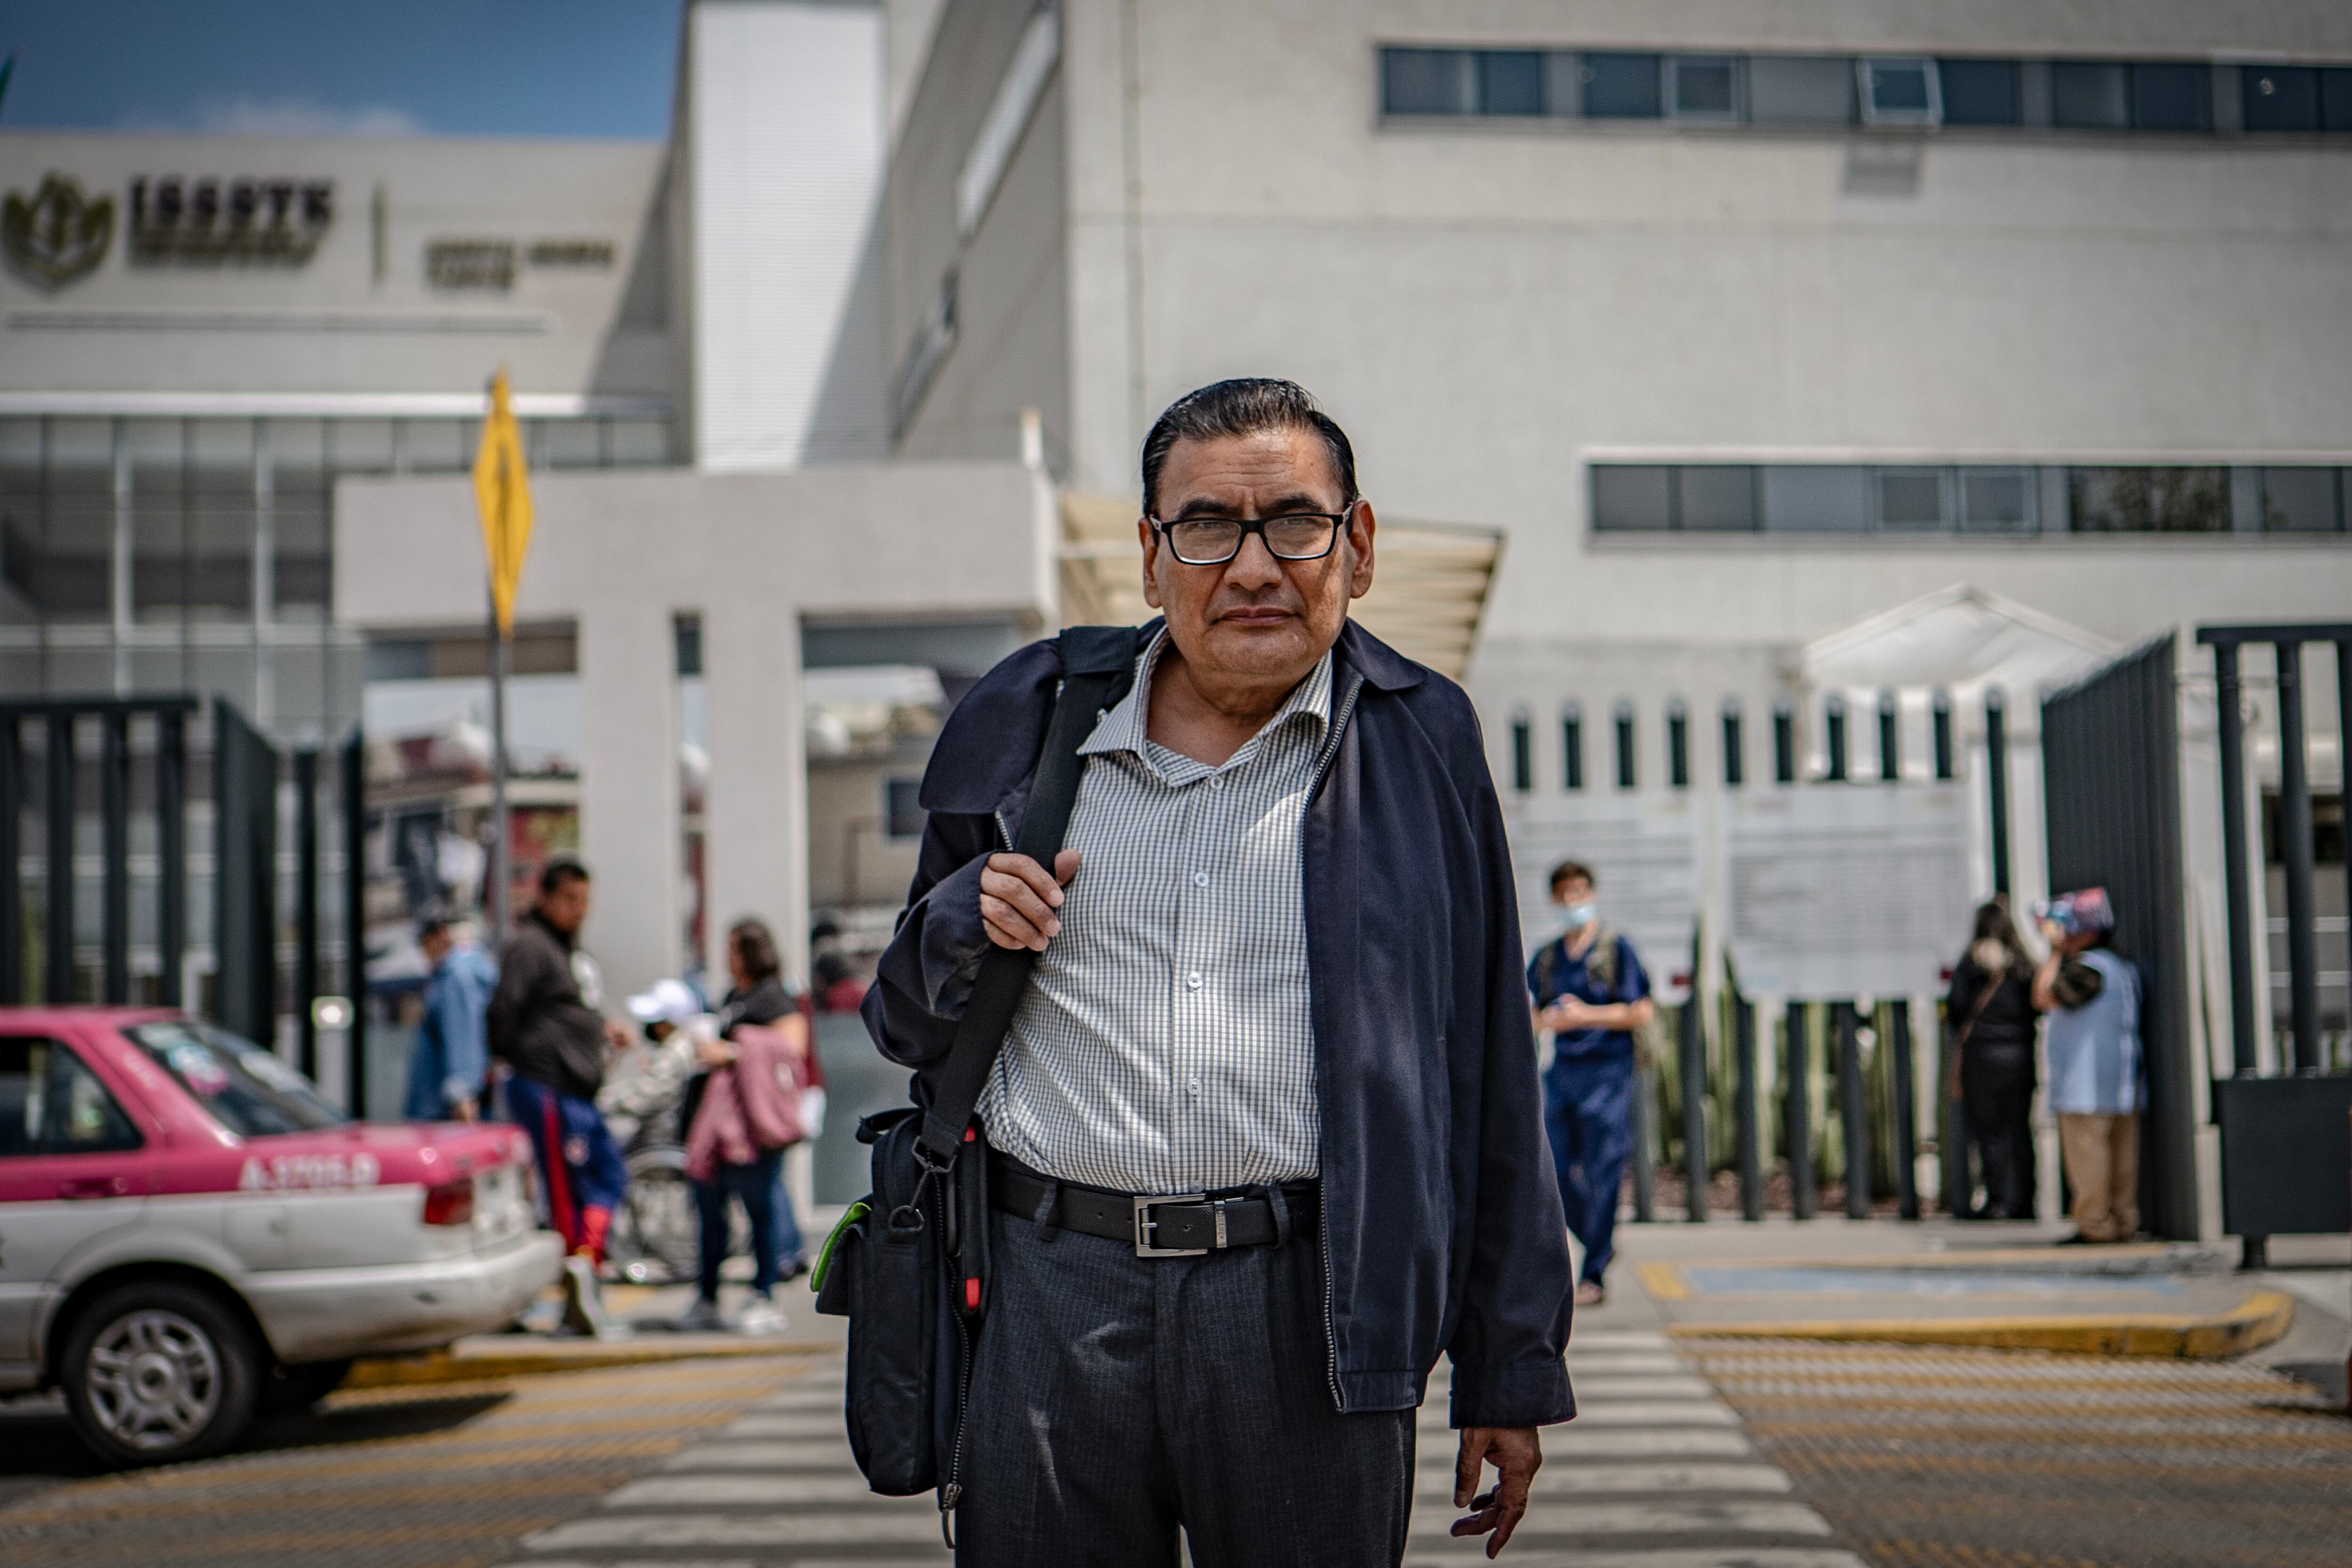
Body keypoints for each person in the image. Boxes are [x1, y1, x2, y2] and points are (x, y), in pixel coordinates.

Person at [864, 379, 1574, 1565]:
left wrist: (1510, 1361)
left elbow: (1491, 1060)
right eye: (1206, 528)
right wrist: (954, 923)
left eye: (1293, 523)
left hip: (1309, 1304)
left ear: (1357, 546)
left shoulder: (1419, 735)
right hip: (1050, 1291)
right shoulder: (1032, 723)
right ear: (1150, 558)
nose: (1252, 567)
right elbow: (901, 1023)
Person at [487, 857, 635, 1335]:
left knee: (608, 1175)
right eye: (570, 900)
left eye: (584, 901)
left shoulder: (561, 949)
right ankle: (579, 1282)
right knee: (566, 1192)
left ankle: (584, 1266)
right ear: (546, 898)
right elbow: (502, 1013)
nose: (579, 910)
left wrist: (599, 1030)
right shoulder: (530, 947)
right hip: (547, 1086)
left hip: (575, 1089)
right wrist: (528, 1061)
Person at [673, 918, 810, 1334]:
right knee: (710, 1215)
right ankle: (708, 1295)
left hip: (752, 1129)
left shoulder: (775, 998)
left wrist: (733, 1051)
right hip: (718, 1130)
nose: (727, 958)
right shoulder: (735, 995)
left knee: (761, 1213)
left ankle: (765, 1293)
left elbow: (792, 1049)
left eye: (733, 949)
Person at [1527, 860, 1653, 1309]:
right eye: (1564, 892)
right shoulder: (1546, 957)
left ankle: (1594, 1272)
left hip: (1608, 1077)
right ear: (1554, 899)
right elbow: (1531, 1012)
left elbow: (1640, 1010)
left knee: (1603, 1174)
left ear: (1592, 893)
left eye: (1580, 890)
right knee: (1554, 1172)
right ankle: (1598, 1241)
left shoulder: (1616, 949)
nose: (1572, 899)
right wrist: (1549, 1020)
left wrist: (1586, 1015)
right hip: (1561, 1076)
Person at [2033, 887, 2142, 1244]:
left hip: (2086, 1086)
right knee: (2122, 1161)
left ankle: (2095, 1224)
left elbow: (2043, 996)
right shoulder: (2122, 968)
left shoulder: (2088, 970)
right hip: (2123, 1083)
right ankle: (2123, 1219)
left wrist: (2052, 954)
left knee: (2090, 1160)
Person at [1944, 900, 2042, 1221]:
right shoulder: (2023, 964)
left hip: (1981, 1059)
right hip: (2019, 1056)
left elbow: (1956, 1009)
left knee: (1989, 1133)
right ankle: (2025, 1201)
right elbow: (2037, 1006)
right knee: (2019, 1130)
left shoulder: (1970, 964)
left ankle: (1996, 1199)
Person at [401, 908, 497, 1123]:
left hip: (446, 1109)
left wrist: (462, 1093)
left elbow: (463, 1034)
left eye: (424, 944)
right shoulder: (463, 973)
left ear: (439, 937)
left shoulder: (456, 977)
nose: (424, 953)